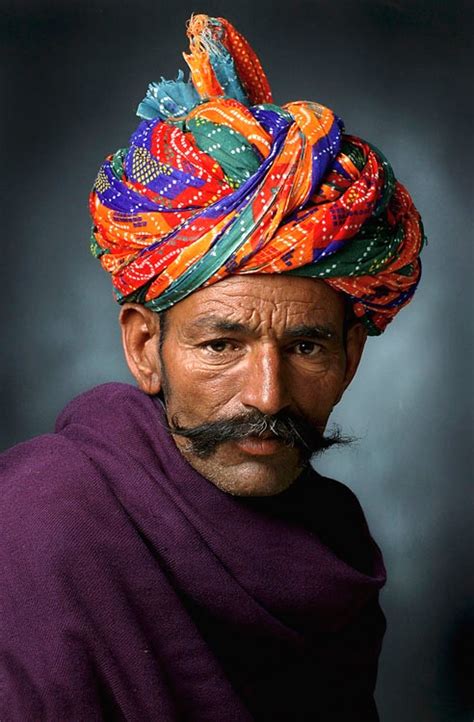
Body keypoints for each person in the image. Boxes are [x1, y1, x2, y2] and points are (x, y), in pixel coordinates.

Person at [0, 14, 425, 722]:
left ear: (352, 356)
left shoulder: (336, 539)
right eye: (221, 346)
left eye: (307, 347)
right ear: (144, 349)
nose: (267, 395)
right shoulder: (36, 523)